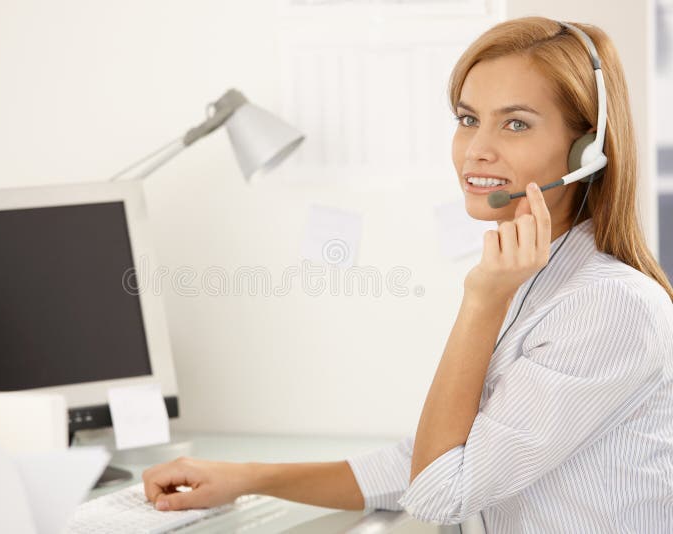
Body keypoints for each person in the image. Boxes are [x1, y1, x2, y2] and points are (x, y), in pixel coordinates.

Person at [141, 17, 673, 532]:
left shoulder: (608, 307)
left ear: (587, 150)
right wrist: (244, 479)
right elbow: (420, 462)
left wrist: (480, 300)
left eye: (515, 123)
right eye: (468, 119)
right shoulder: (533, 279)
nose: (476, 149)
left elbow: (439, 490)